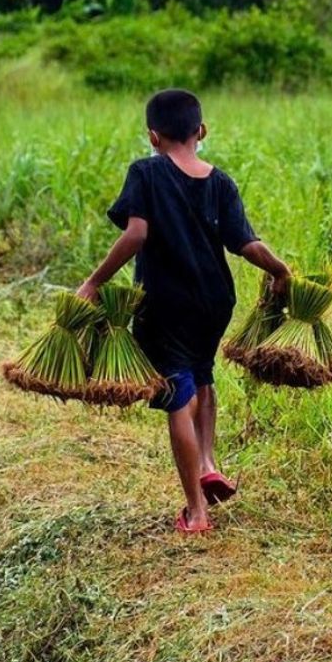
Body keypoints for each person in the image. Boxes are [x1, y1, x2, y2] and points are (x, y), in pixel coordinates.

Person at [76, 89, 290, 535]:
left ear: (153, 136)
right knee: (203, 375)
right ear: (201, 131)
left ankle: (196, 511)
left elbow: (136, 235)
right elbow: (246, 244)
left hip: (164, 302)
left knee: (178, 393)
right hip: (216, 301)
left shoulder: (146, 172)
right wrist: (280, 270)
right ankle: (208, 463)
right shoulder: (221, 182)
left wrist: (94, 283)